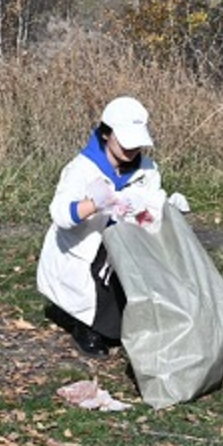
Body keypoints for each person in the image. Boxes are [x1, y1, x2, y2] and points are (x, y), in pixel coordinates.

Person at [36, 96, 166, 358]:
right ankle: (88, 327)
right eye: (125, 142)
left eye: (136, 143)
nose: (132, 150)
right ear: (107, 134)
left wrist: (153, 211)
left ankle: (130, 321)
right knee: (104, 265)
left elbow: (151, 213)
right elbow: (61, 213)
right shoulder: (81, 168)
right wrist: (94, 203)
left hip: (132, 241)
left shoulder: (148, 171)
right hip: (87, 246)